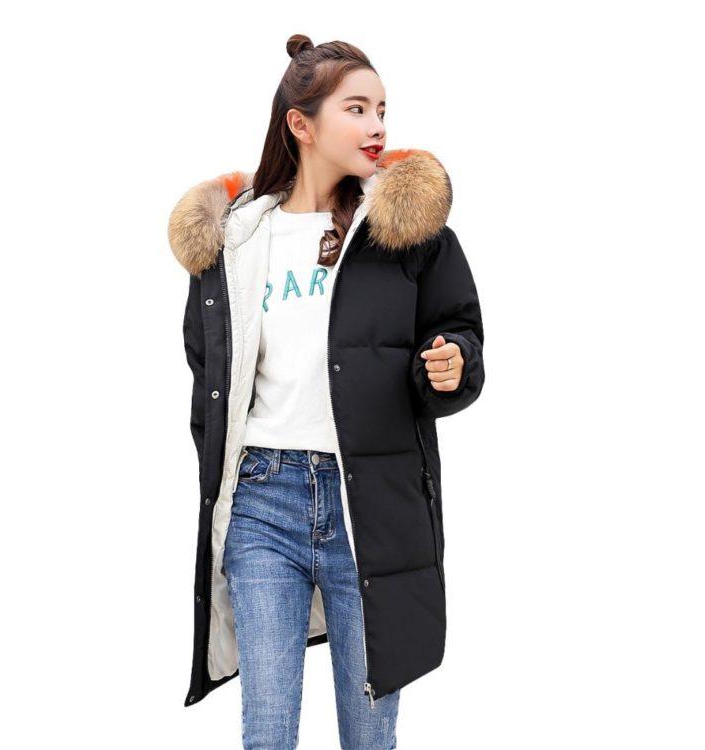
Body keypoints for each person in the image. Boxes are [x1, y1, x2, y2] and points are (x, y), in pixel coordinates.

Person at [168, 33, 486, 750]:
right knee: (267, 730)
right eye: (357, 108)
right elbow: (207, 375)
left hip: (368, 504)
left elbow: (459, 332)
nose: (377, 126)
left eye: (383, 110)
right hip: (262, 503)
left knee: (368, 736)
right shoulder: (238, 239)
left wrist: (451, 365)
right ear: (301, 124)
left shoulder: (406, 233)